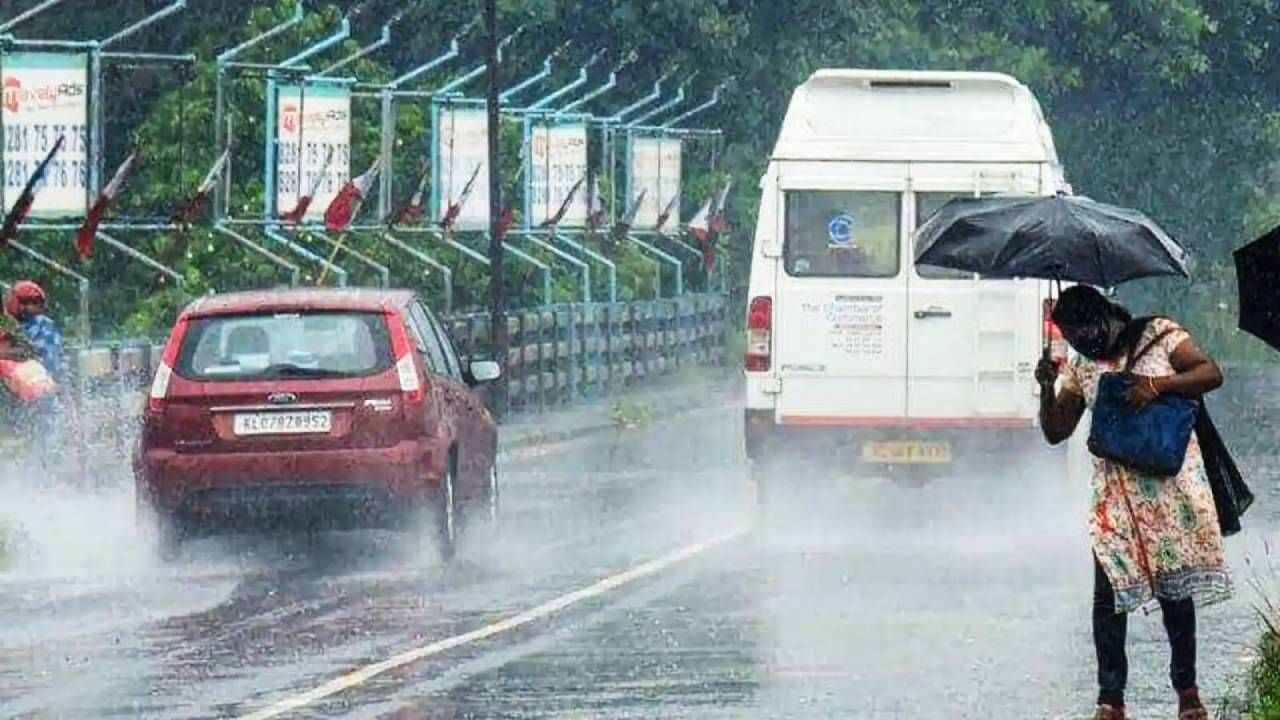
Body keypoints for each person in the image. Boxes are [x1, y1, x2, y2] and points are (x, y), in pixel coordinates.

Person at [1035, 285, 1231, 720]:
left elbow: (1209, 372)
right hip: (1115, 499)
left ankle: (1188, 693)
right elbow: (1056, 431)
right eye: (1075, 337)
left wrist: (1157, 385)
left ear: (1108, 317)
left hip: (1168, 492)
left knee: (1175, 595)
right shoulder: (1083, 365)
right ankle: (1111, 701)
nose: (1086, 343)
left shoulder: (1160, 335)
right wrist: (1047, 389)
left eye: (1090, 333)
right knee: (1107, 597)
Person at [6, 281, 62, 380]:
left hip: (41, 378)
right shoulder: (10, 323)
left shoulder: (43, 323)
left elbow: (30, 353)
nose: (39, 306)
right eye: (22, 302)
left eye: (37, 303)